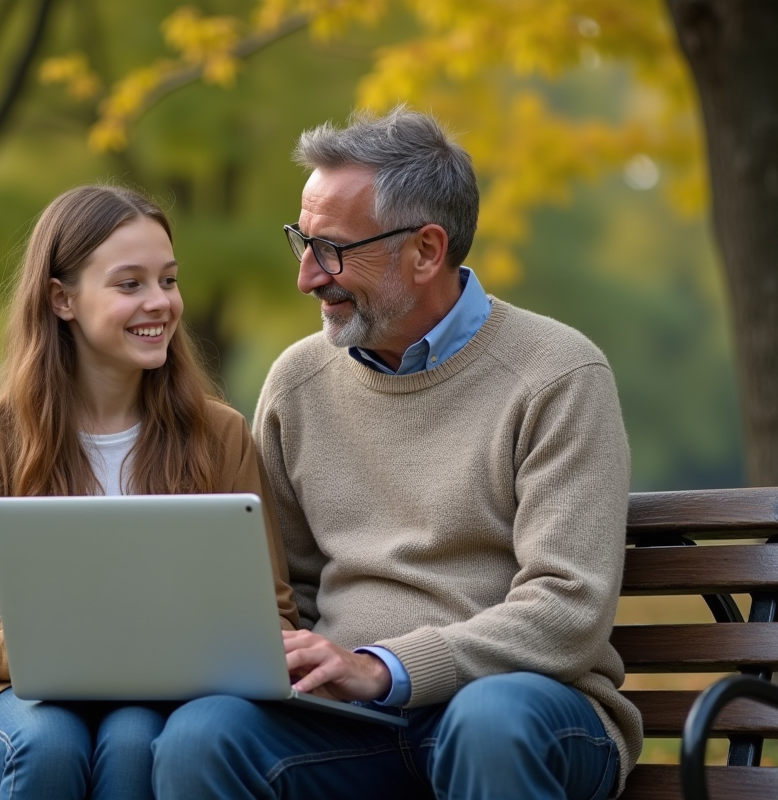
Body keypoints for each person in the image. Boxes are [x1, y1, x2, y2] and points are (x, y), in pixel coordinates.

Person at [151, 108, 643, 800]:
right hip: (349, 724)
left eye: (332, 250)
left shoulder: (558, 375)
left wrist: (386, 668)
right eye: (302, 242)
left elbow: (569, 609)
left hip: (529, 711)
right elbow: (281, 586)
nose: (307, 277)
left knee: (489, 721)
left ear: (426, 251)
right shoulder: (298, 382)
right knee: (203, 736)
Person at [0, 185, 299, 800]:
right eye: (130, 284)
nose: (160, 302)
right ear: (62, 299)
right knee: (50, 743)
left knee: (135, 740)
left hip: (162, 704)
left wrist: (139, 657)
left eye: (168, 279)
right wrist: (91, 651)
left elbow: (271, 616)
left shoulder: (220, 435)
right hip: (17, 699)